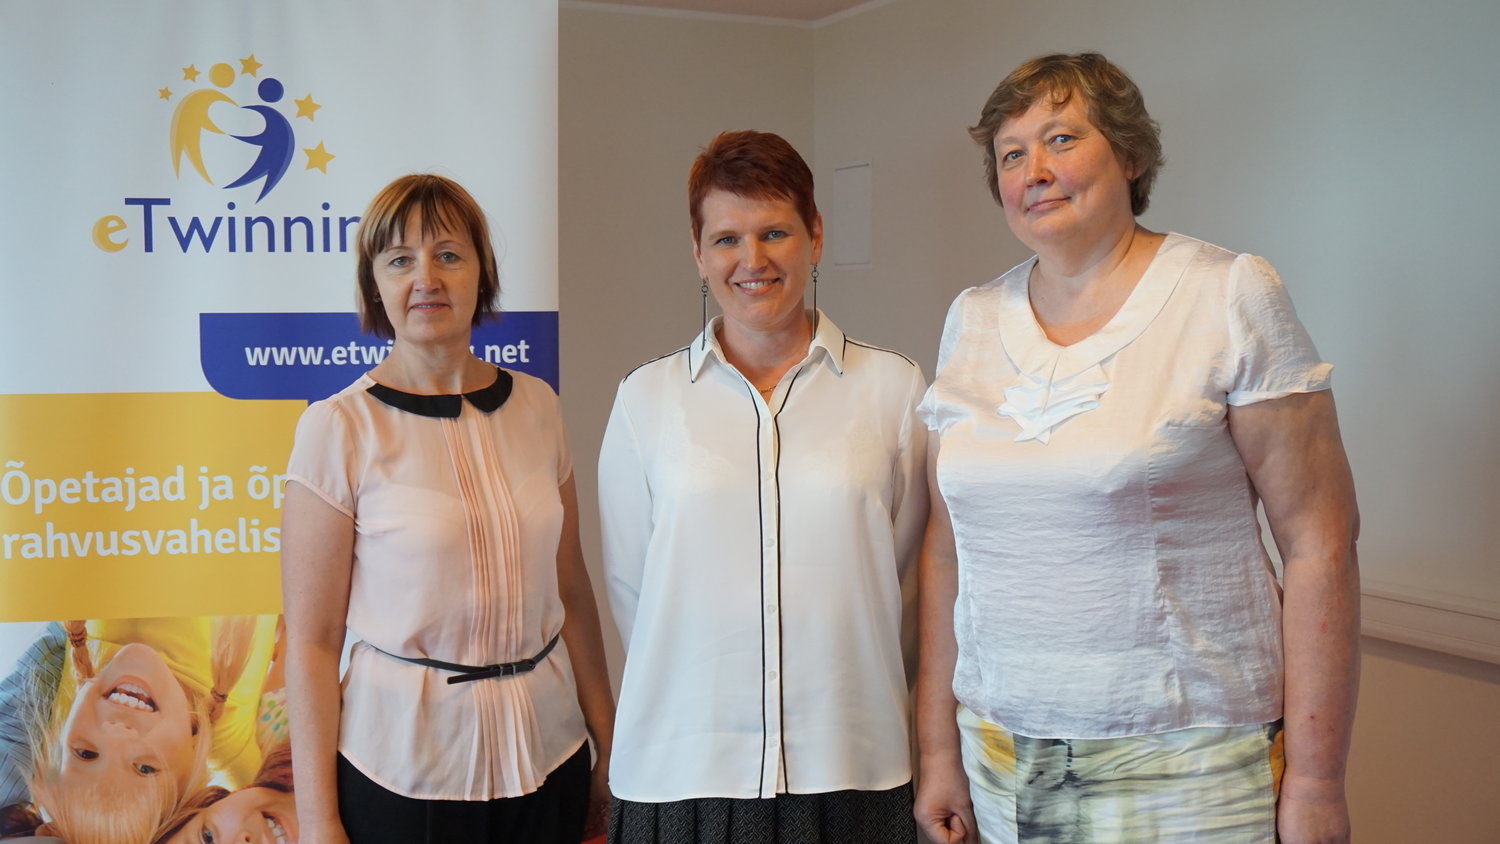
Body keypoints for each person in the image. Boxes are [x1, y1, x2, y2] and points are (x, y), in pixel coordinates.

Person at [912, 53, 1360, 844]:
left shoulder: (1226, 293)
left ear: (1129, 154)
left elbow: (1319, 541)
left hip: (1193, 761)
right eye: (1011, 154)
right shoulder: (972, 318)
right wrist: (939, 748)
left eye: (1060, 139)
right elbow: (949, 551)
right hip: (1001, 753)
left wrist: (1318, 781)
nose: (1033, 171)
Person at [598, 131, 927, 844]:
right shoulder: (645, 399)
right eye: (726, 239)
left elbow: (906, 585)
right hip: (683, 769)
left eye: (775, 232)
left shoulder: (894, 389)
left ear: (815, 237)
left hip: (853, 762)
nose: (752, 260)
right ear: (698, 253)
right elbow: (635, 592)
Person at [280, 174, 615, 844]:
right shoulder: (338, 429)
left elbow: (573, 590)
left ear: (481, 272)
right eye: (400, 260)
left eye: (448, 255)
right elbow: (312, 643)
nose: (425, 278)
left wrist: (610, 746)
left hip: (549, 758)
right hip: (403, 775)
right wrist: (317, 822)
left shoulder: (538, 406)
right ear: (374, 284)